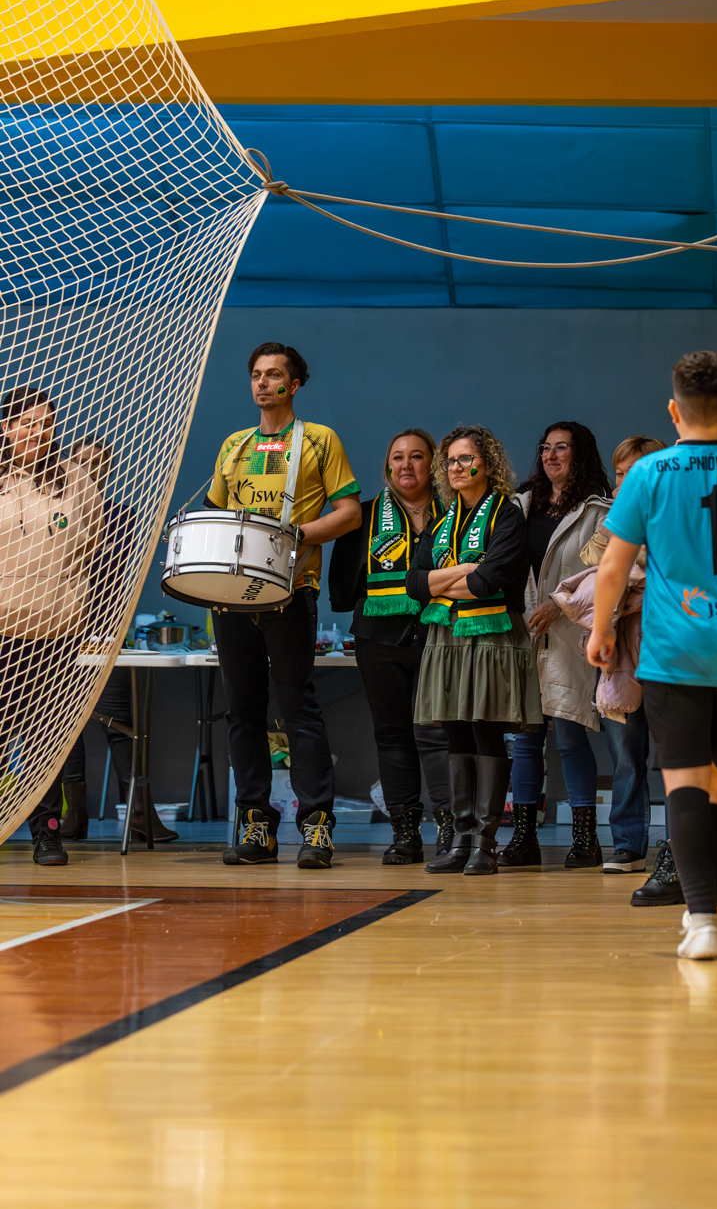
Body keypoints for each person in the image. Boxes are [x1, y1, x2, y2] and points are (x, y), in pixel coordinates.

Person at [586, 352, 717, 960]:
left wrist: (601, 631)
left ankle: (704, 919)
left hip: (674, 651)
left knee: (685, 783)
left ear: (674, 410)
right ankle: (712, 907)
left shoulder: (649, 473)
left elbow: (612, 567)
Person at [208, 343, 362, 869]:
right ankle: (255, 825)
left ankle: (316, 825)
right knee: (242, 712)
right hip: (233, 597)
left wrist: (295, 535)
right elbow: (214, 515)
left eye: (274, 375)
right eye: (256, 374)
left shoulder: (318, 439)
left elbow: (348, 513)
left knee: (299, 708)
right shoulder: (234, 445)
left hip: (292, 590)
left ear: (294, 385)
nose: (262, 382)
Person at [406, 425, 540, 876]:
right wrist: (462, 570)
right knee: (456, 733)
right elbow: (414, 584)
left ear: (488, 463)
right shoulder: (443, 520)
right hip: (447, 636)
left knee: (485, 730)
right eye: (450, 461)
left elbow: (488, 581)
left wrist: (442, 582)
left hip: (491, 636)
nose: (456, 467)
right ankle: (461, 840)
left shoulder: (507, 515)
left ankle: (485, 843)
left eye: (466, 459)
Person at [328, 429, 452, 864]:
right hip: (379, 639)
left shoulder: (458, 515)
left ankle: (450, 828)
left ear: (433, 465)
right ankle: (405, 832)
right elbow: (343, 586)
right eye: (397, 457)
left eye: (417, 456)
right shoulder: (363, 517)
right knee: (392, 734)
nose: (406, 464)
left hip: (442, 635)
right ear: (387, 466)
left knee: (438, 732)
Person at [500, 422, 611, 870]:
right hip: (523, 630)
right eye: (545, 448)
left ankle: (585, 840)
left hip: (568, 633)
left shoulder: (598, 510)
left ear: (580, 454)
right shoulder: (519, 505)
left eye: (561, 448)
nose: (551, 455)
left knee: (569, 735)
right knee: (524, 739)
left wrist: (560, 604)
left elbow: (604, 574)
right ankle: (523, 838)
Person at [58, 437, 179, 844]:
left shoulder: (120, 516)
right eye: (81, 463)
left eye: (98, 465)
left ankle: (141, 811)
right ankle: (74, 813)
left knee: (119, 719)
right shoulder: (54, 513)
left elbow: (105, 572)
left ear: (107, 473)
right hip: (56, 629)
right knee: (61, 724)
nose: (89, 472)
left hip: (102, 630)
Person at [0, 387, 102, 866]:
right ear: (6, 428)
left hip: (57, 632)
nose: (38, 432)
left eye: (46, 423)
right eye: (27, 423)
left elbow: (93, 544)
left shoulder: (75, 478)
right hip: (3, 629)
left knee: (46, 743)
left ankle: (47, 834)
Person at [577, 434, 667, 876]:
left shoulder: (675, 510)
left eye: (634, 472)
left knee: (677, 753)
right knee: (626, 753)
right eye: (620, 473)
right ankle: (629, 845)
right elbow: (592, 558)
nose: (624, 481)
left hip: (668, 643)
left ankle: (680, 848)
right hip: (619, 648)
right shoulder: (614, 516)